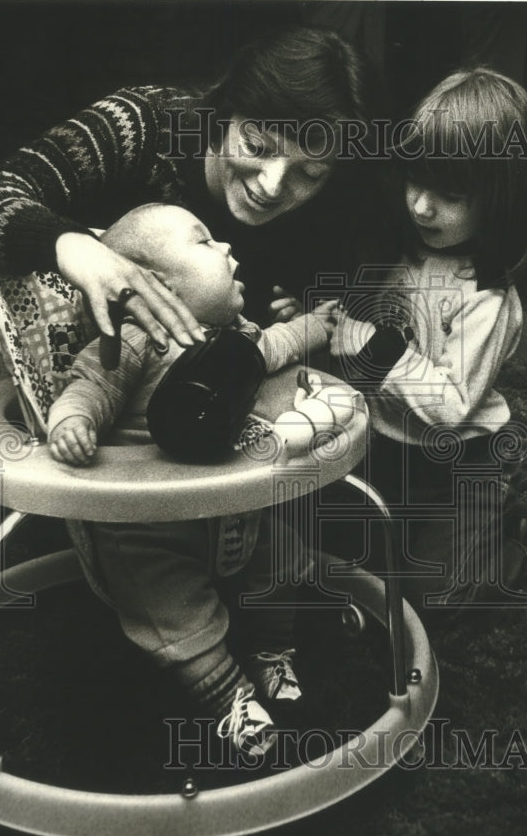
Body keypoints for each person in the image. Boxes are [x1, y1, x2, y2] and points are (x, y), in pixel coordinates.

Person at [47, 204, 340, 757]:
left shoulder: (236, 338)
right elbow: (90, 385)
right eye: (205, 243)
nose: (228, 249)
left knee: (281, 561)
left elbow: (276, 344)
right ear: (156, 286)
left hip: (236, 511)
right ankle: (228, 693)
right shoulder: (136, 341)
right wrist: (72, 421)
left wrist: (313, 328)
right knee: (174, 615)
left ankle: (274, 650)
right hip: (150, 530)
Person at [0, 24, 399, 348]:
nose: (273, 186)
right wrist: (76, 248)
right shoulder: (140, 123)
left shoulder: (337, 202)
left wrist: (307, 310)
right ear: (224, 112)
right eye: (257, 146)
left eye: (310, 173)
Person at [332, 68, 527, 619]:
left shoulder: (487, 297)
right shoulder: (399, 250)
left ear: (499, 200)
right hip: (384, 447)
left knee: (438, 603)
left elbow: (451, 408)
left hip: (462, 461)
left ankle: (511, 547)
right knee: (354, 571)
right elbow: (353, 330)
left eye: (449, 195)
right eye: (415, 181)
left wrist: (372, 345)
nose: (421, 207)